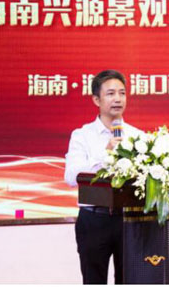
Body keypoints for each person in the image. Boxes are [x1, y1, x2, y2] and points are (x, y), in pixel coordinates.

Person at [64, 69, 143, 284]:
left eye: (122, 93)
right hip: (94, 219)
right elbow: (71, 177)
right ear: (96, 100)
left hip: (129, 220)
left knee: (130, 280)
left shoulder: (138, 136)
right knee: (93, 280)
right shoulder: (82, 135)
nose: (118, 99)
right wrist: (105, 153)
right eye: (110, 93)